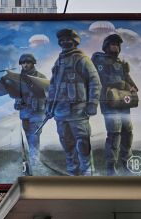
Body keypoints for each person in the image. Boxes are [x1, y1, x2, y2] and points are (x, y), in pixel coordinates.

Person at [46, 28, 101, 176]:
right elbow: (53, 86)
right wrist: (49, 106)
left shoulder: (82, 59)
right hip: (60, 110)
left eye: (68, 39)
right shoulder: (58, 62)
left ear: (75, 41)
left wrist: (92, 104)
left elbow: (95, 81)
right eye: (62, 40)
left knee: (82, 141)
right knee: (66, 142)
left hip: (78, 109)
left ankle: (87, 169)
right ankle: (72, 169)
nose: (65, 42)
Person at [91, 33, 139, 176]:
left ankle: (127, 163)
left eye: (117, 45)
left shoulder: (121, 64)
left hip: (123, 102)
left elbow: (128, 79)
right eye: (113, 44)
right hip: (109, 100)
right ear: (106, 46)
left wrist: (132, 86)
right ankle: (111, 168)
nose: (116, 47)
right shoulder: (99, 59)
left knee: (128, 132)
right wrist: (122, 83)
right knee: (114, 133)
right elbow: (101, 78)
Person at [14, 53, 49, 171]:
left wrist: (47, 108)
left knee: (34, 136)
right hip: (24, 113)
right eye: (23, 63)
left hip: (37, 112)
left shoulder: (40, 77)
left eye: (28, 62)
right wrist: (17, 102)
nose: (25, 65)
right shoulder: (19, 79)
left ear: (33, 63)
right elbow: (16, 94)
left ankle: (35, 161)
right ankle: (32, 160)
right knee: (28, 137)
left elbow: (49, 94)